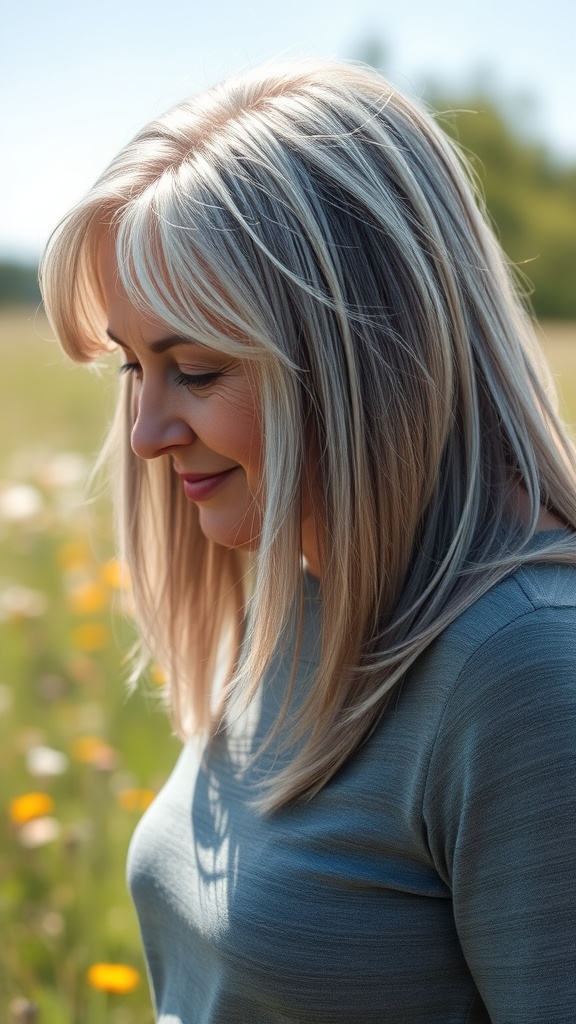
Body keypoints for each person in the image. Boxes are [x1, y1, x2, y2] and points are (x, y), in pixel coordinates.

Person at [40, 58, 576, 1023]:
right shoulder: (303, 576)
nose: (145, 435)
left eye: (196, 370)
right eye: (134, 368)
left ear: (368, 355)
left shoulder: (527, 674)